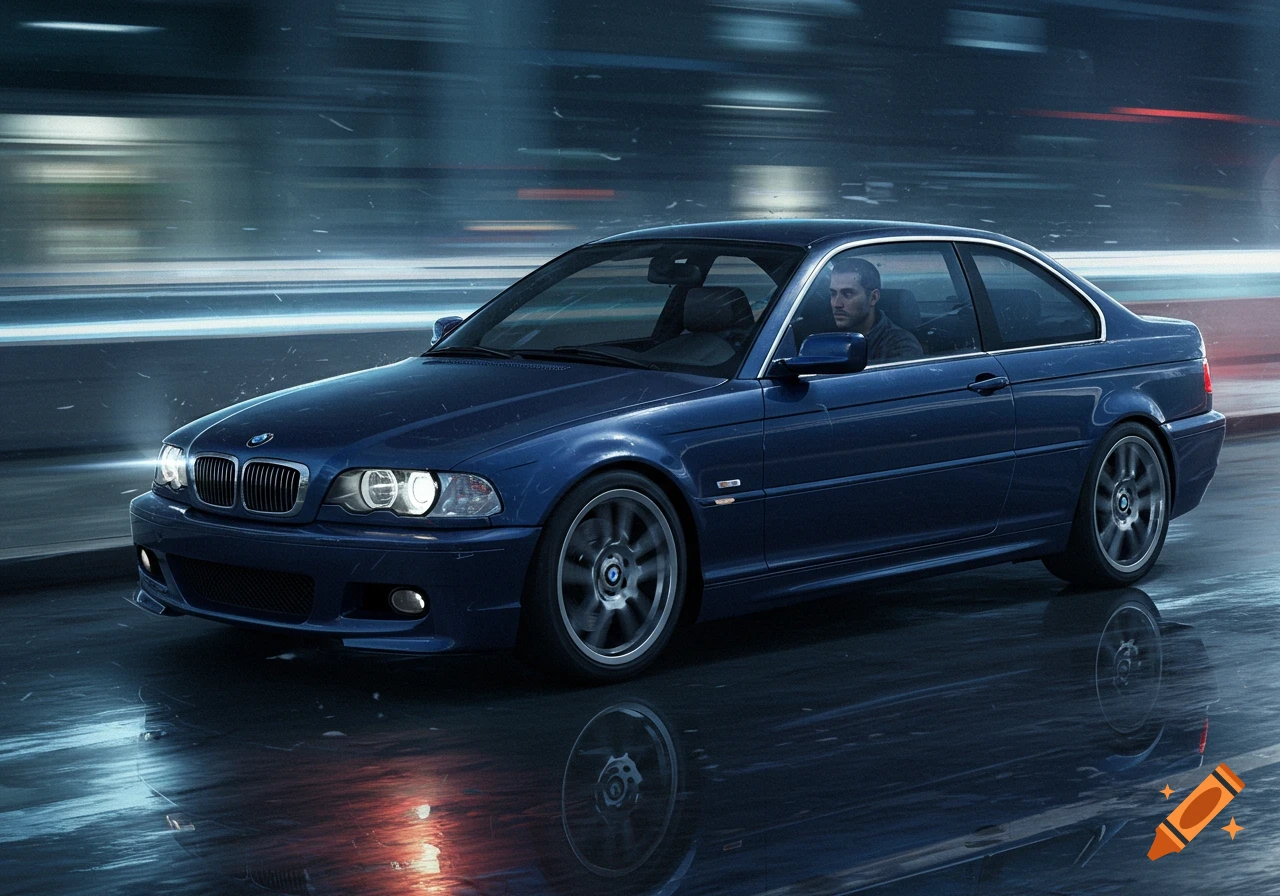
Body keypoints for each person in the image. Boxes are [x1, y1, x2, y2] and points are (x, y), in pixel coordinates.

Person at [828, 256, 923, 363]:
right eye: (833, 294)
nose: (836, 304)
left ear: (873, 298)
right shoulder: (825, 332)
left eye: (848, 294)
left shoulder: (900, 345)